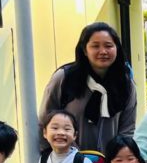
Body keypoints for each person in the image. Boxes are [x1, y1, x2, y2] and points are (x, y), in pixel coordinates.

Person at [39, 22, 137, 152]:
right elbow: (44, 121)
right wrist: (49, 157)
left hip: (109, 162)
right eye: (95, 46)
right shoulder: (64, 78)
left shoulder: (125, 83)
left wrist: (119, 158)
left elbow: (127, 130)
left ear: (117, 49)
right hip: (68, 160)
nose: (103, 51)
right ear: (85, 50)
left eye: (108, 46)